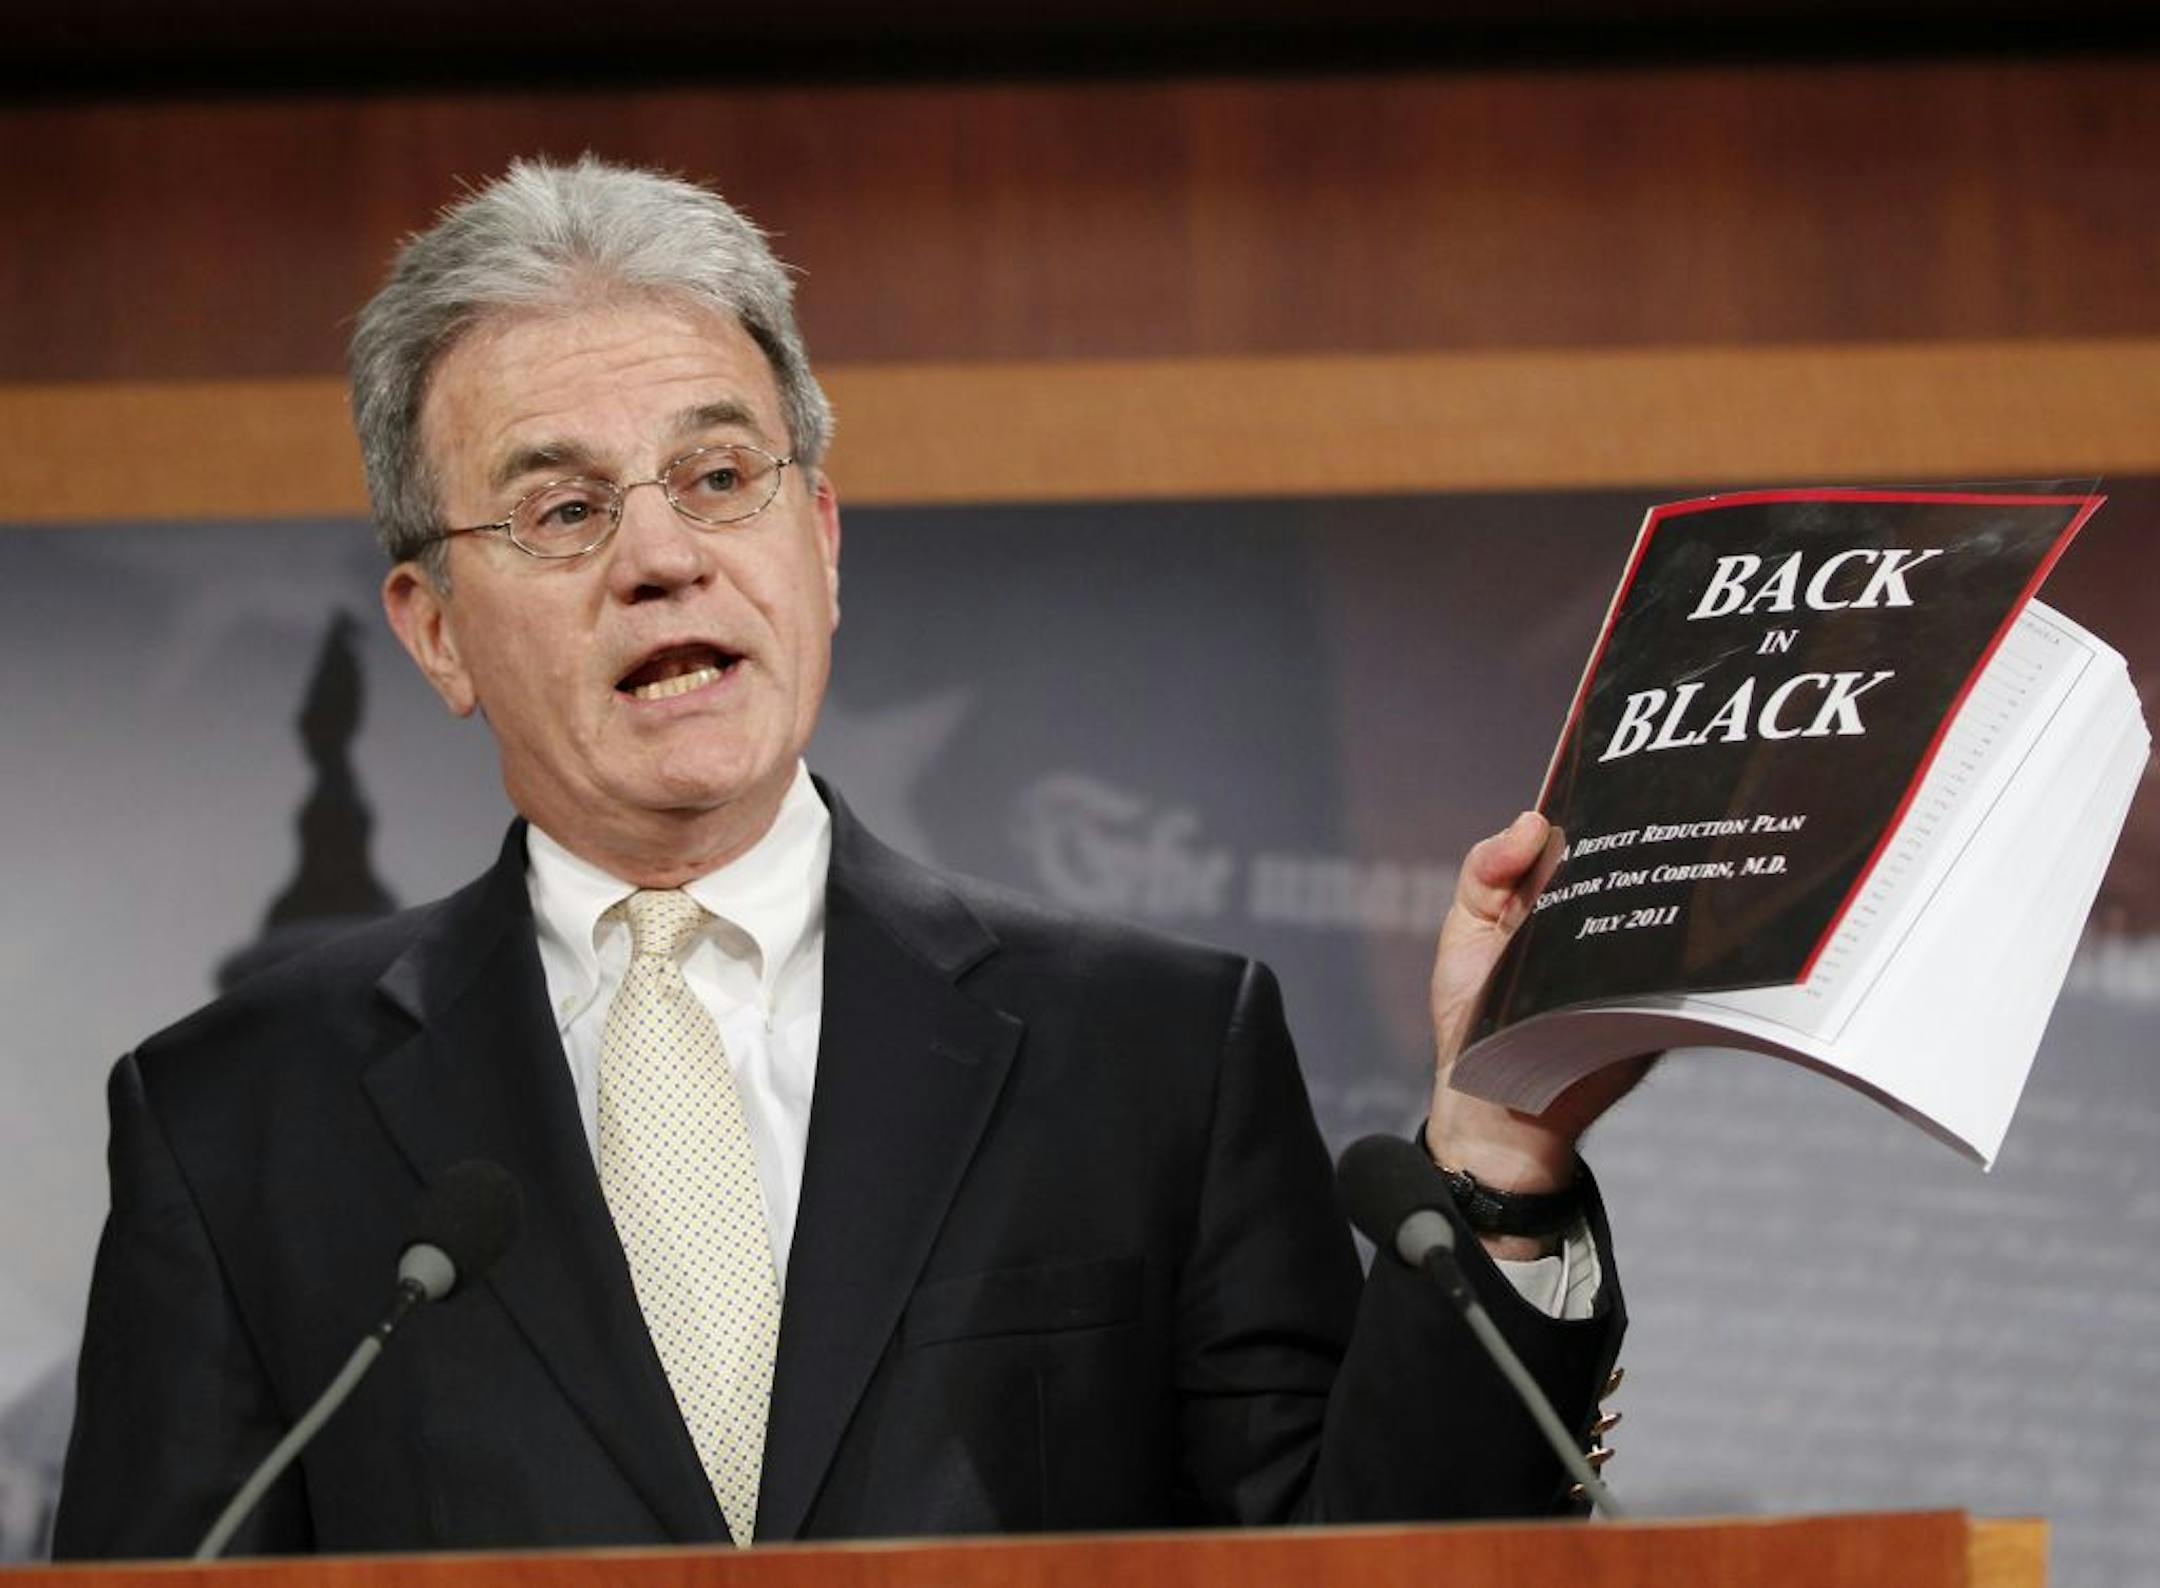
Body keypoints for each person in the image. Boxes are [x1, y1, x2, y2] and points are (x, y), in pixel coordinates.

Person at [52, 157, 1639, 1558]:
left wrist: (1495, 1160)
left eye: (720, 478)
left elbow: (1365, 1567)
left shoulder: (1151, 1057)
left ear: (818, 544)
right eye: (562, 510)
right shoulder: (240, 1123)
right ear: (435, 630)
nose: (663, 557)